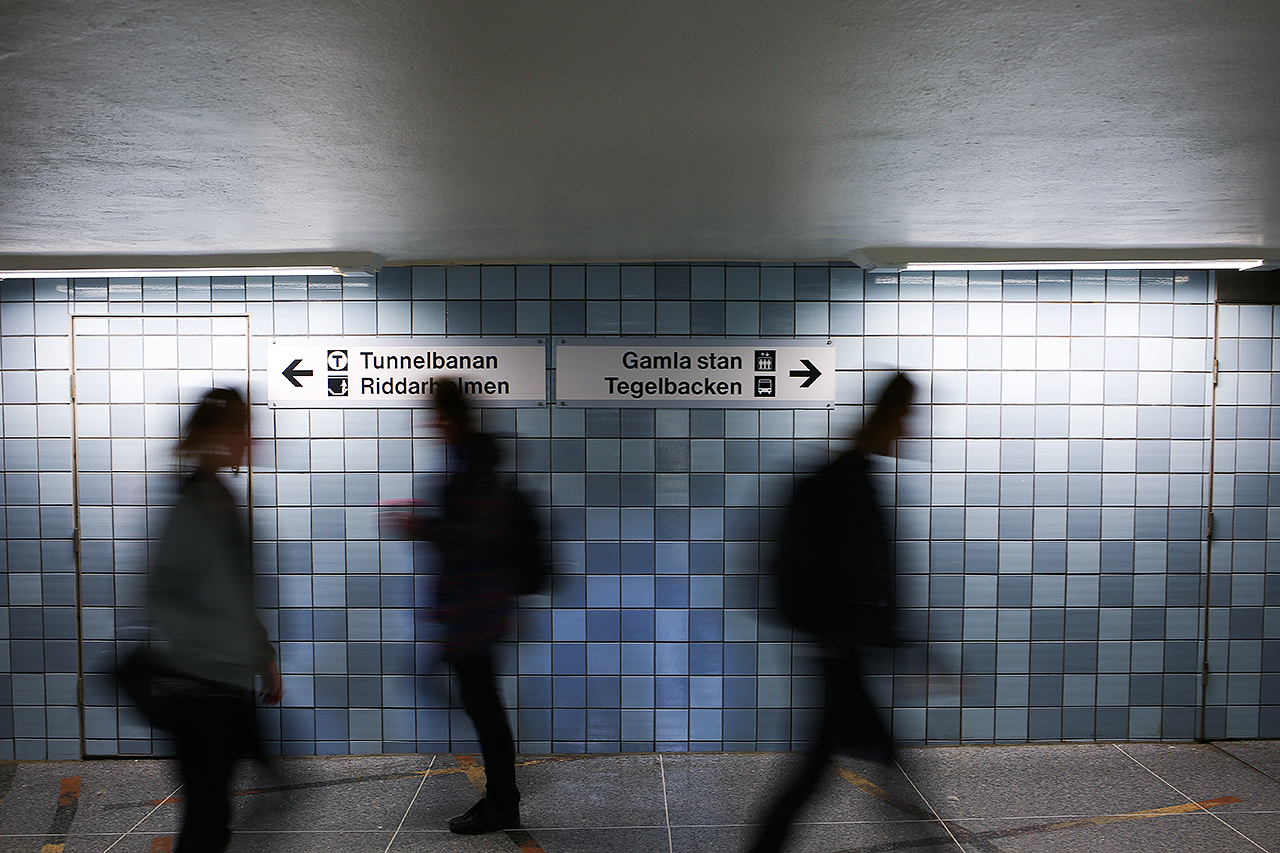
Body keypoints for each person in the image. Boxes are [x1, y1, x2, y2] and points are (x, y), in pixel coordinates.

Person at [747, 372, 916, 853]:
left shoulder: (851, 476)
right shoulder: (847, 482)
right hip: (841, 649)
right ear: (890, 415)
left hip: (842, 647)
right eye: (906, 417)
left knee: (838, 770)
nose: (911, 430)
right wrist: (881, 634)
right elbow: (856, 571)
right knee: (834, 772)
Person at [146, 387, 283, 853]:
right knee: (208, 819)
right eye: (241, 429)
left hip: (224, 682)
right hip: (201, 688)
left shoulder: (219, 497)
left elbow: (236, 595)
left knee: (213, 815)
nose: (250, 439)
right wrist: (218, 650)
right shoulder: (194, 505)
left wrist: (262, 657)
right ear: (217, 435)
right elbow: (162, 593)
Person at [399, 379, 522, 834]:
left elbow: (472, 539)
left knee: (483, 706)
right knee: (482, 703)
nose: (430, 425)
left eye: (435, 416)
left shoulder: (476, 470)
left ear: (450, 418)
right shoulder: (473, 463)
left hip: (476, 612)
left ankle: (502, 801)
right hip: (476, 609)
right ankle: (500, 798)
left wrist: (424, 526)